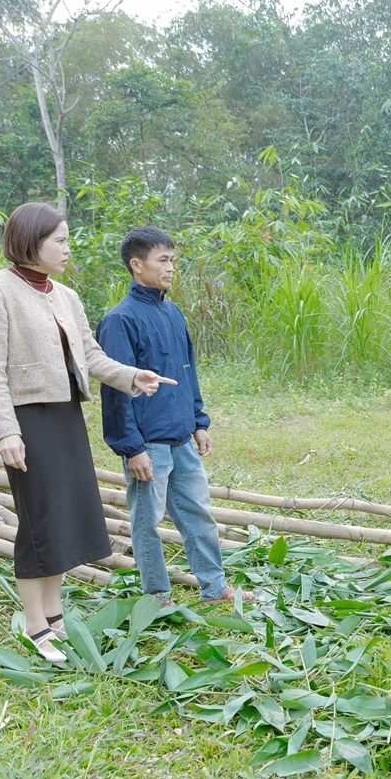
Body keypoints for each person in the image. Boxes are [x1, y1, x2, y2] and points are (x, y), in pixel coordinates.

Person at [0, 203, 176, 664]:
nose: (67, 249)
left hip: (65, 415)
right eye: (59, 240)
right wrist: (6, 431)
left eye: (67, 240)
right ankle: (34, 625)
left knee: (64, 516)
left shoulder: (65, 295)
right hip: (27, 420)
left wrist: (132, 376)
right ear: (31, 241)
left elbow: (91, 355)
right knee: (39, 520)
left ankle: (55, 615)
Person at [96, 227, 250, 608]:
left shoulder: (172, 311)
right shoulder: (119, 320)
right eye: (163, 260)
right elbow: (115, 392)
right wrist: (131, 448)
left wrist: (198, 422)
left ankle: (215, 587)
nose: (171, 268)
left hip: (181, 438)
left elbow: (186, 371)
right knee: (147, 521)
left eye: (173, 260)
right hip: (147, 442)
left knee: (199, 514)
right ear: (137, 265)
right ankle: (156, 596)